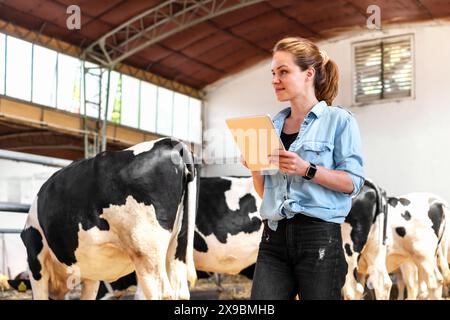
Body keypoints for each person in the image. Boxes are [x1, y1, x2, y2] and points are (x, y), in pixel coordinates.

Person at [243, 37, 365, 300]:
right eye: (273, 73)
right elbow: (265, 193)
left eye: (283, 72)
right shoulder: (271, 125)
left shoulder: (338, 120)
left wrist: (308, 169)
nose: (275, 79)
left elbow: (353, 183)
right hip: (273, 238)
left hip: (319, 237)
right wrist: (255, 167)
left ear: (309, 74)